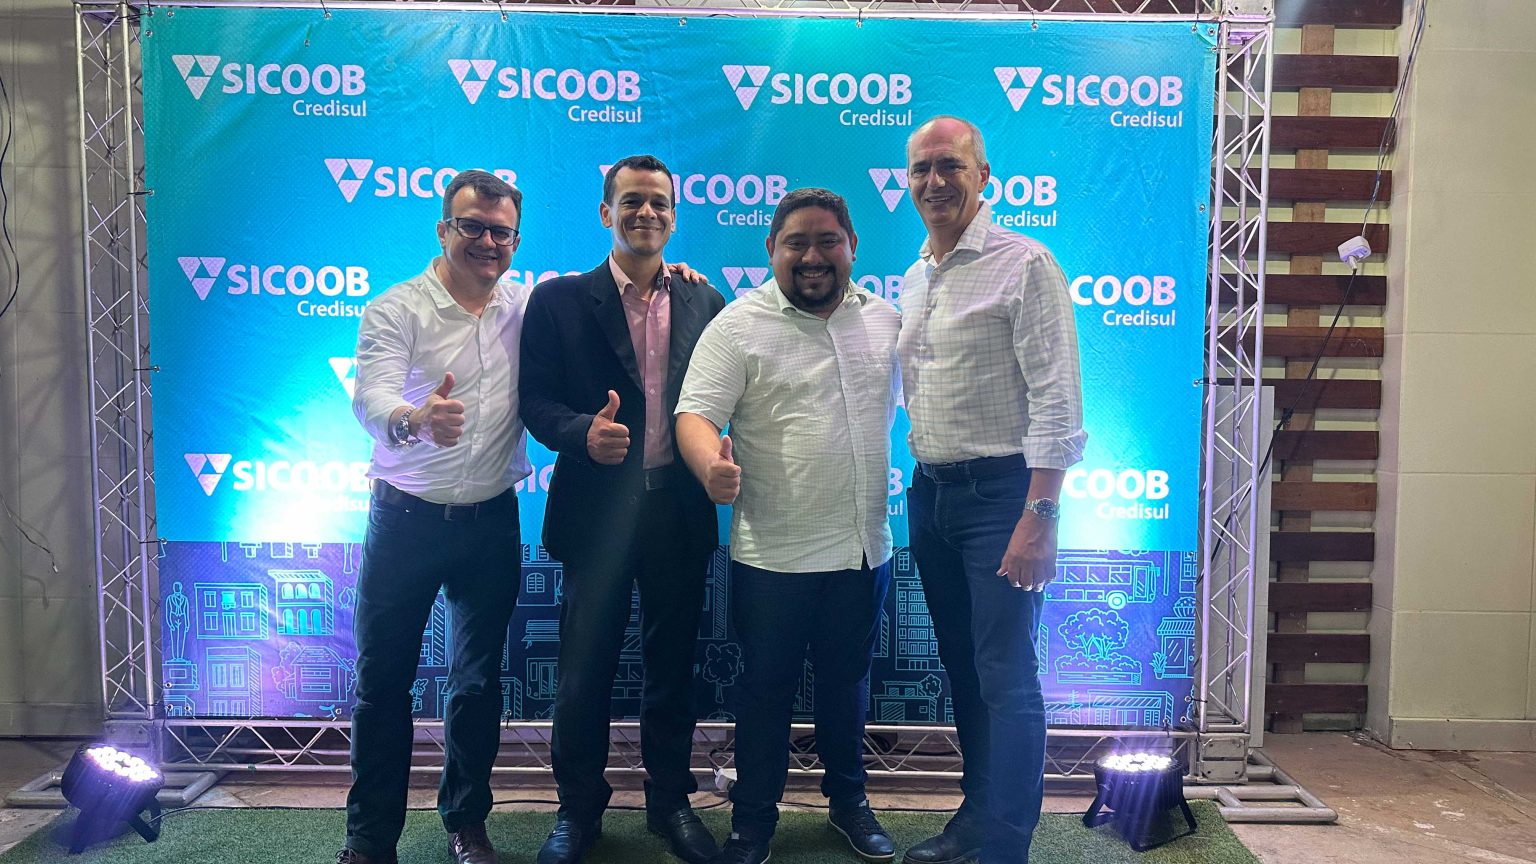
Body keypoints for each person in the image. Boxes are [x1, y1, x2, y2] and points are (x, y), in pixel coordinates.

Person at [676, 188, 901, 864]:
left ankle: (849, 805)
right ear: (771, 248)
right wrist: (709, 469)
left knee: (847, 688)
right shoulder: (739, 325)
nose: (812, 256)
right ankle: (752, 824)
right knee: (765, 695)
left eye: (827, 241)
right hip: (772, 556)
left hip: (863, 550)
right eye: (796, 243)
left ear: (852, 247)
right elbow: (695, 414)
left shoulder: (887, 320)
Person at [520, 154, 727, 864]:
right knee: (583, 673)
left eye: (659, 202)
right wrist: (582, 432)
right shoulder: (557, 300)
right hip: (596, 516)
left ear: (674, 215)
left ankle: (671, 804)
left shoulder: (705, 300)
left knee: (673, 671)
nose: (647, 213)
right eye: (632, 201)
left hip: (678, 512)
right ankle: (578, 811)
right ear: (606, 212)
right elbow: (534, 401)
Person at [897, 117, 1087, 864]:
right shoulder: (916, 275)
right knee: (965, 666)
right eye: (920, 169)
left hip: (1004, 497)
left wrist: (1040, 514)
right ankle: (977, 819)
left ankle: (1006, 844)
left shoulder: (1025, 263)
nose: (934, 181)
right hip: (931, 495)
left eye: (949, 165)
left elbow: (1058, 400)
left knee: (1006, 672)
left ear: (983, 176)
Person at [340, 169, 531, 864]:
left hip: (491, 523)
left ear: (515, 240)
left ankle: (466, 823)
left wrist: (672, 274)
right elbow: (371, 397)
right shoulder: (396, 309)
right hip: (405, 523)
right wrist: (413, 420)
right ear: (443, 230)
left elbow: (606, 296)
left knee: (477, 685)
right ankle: (369, 841)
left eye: (500, 231)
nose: (486, 241)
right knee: (382, 685)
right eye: (471, 226)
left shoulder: (525, 305)